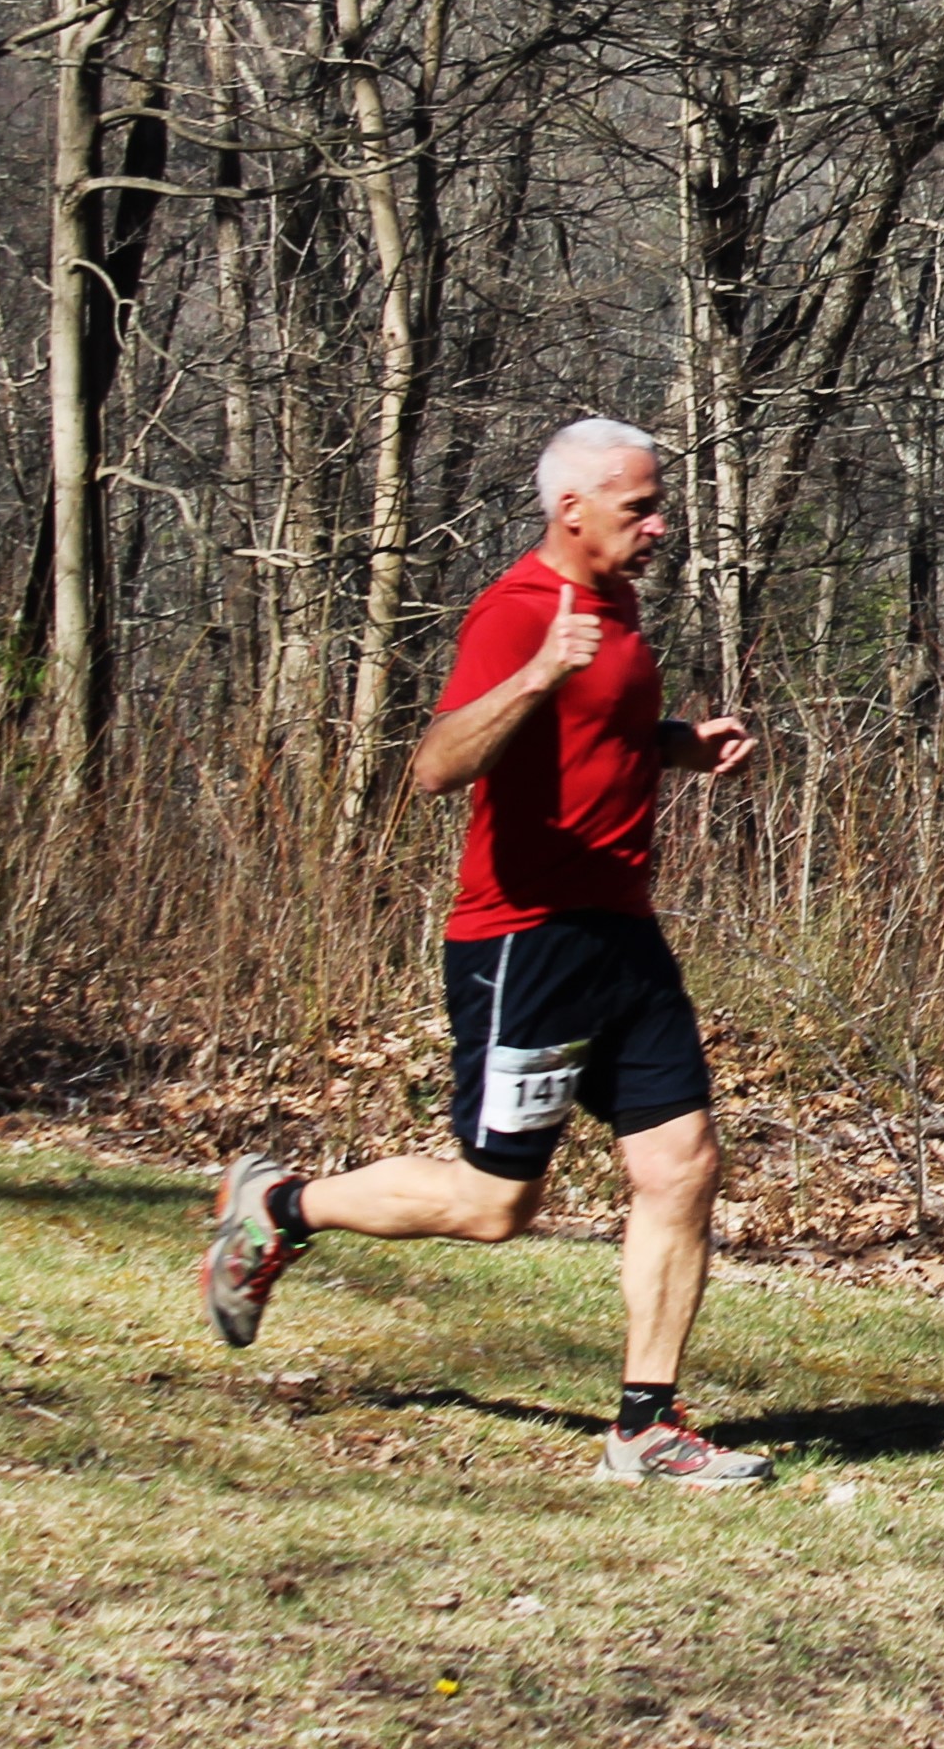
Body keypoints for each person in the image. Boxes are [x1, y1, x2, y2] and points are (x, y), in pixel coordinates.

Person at [198, 416, 773, 1487]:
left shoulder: (617, 606)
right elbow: (435, 763)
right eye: (640, 506)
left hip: (621, 932)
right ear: (573, 510)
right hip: (522, 942)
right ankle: (276, 1204)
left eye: (658, 504)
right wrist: (534, 677)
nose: (660, 524)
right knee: (494, 1204)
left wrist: (676, 748)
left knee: (681, 1162)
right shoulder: (517, 615)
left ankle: (645, 1425)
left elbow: (593, 740)